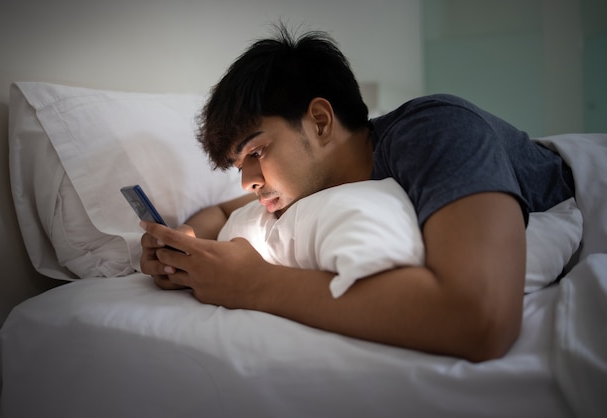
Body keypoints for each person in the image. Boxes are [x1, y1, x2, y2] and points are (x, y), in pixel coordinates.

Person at [139, 24, 575, 362]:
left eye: (256, 152)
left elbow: (482, 319)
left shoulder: (437, 129)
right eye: (239, 167)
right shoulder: (322, 185)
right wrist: (181, 244)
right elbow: (218, 210)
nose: (246, 182)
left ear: (321, 121)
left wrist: (252, 284)